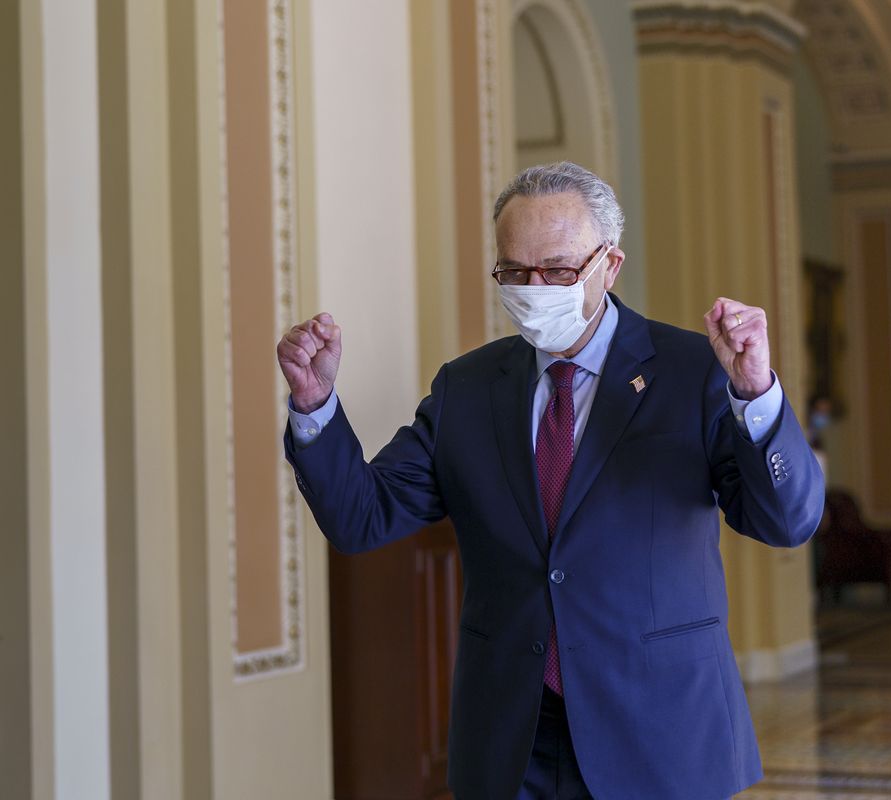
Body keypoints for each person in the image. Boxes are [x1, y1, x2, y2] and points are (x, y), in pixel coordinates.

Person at [276, 162, 825, 799]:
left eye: (559, 270)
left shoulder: (696, 372)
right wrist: (316, 408)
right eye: (515, 272)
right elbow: (361, 518)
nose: (535, 288)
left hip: (660, 729)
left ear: (610, 265)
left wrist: (755, 393)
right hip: (513, 738)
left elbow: (786, 522)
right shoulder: (467, 388)